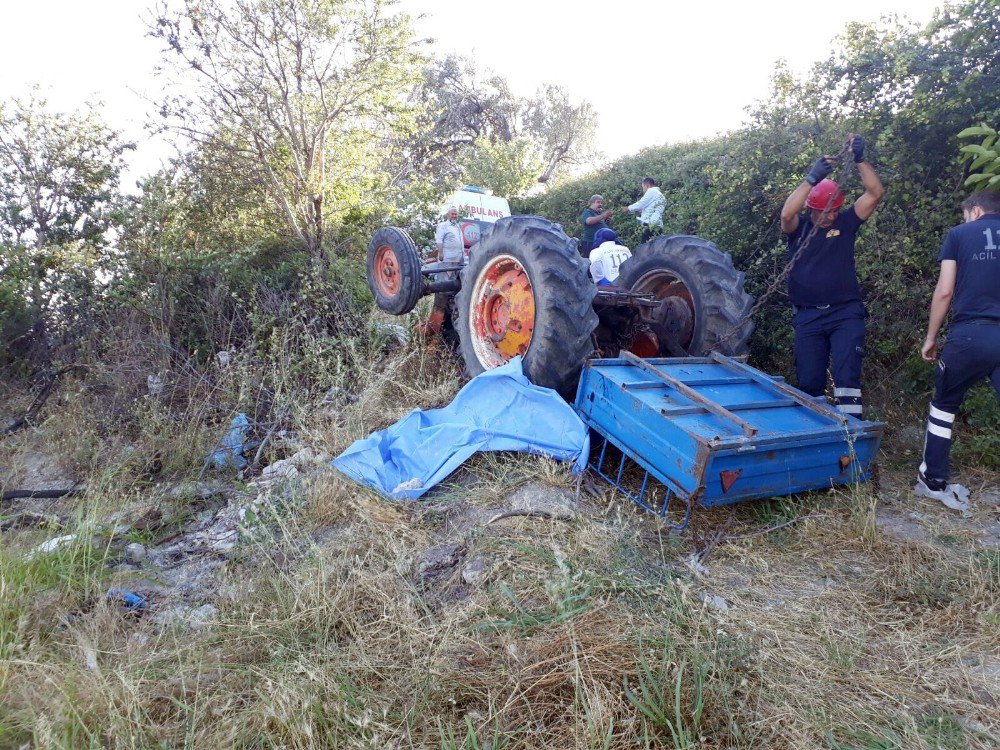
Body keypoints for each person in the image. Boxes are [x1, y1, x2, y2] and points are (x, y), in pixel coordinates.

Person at [779, 135, 885, 418]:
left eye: (834, 210)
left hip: (845, 314)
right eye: (824, 212)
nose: (829, 217)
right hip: (808, 317)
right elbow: (787, 211)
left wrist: (860, 159)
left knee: (847, 378)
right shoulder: (798, 228)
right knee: (809, 383)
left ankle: (851, 440)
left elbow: (874, 193)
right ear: (812, 209)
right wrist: (811, 179)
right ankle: (817, 440)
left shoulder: (846, 223)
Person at [914, 190, 1000, 511]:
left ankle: (933, 479)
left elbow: (945, 290)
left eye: (966, 215)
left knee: (944, 405)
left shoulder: (959, 235)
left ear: (975, 211)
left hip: (970, 335)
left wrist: (931, 336)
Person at [623, 177, 666, 242]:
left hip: (649, 225)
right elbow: (652, 208)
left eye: (643, 187)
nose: (643, 190)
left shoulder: (651, 191)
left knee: (646, 248)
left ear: (647, 185)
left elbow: (640, 204)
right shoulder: (661, 196)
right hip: (658, 225)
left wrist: (628, 208)